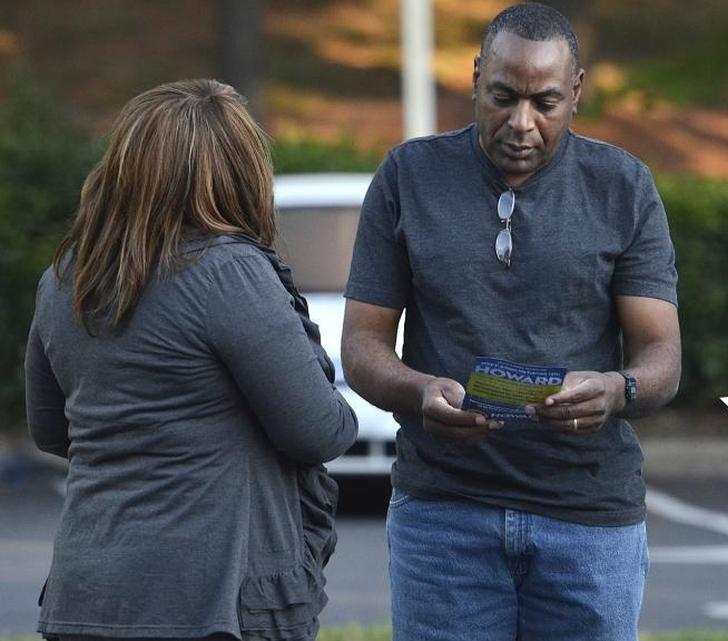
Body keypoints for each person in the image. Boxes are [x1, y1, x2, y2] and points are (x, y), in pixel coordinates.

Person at [341, 4, 681, 640]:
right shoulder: (408, 177)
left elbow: (661, 356)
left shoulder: (624, 187)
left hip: (587, 516)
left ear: (576, 93)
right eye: (503, 97)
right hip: (444, 515)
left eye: (546, 103)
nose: (521, 123)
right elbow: (362, 345)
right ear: (475, 77)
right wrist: (418, 392)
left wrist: (615, 390)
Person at [24, 79, 358, 641]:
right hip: (206, 603)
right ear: (237, 172)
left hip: (85, 597)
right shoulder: (226, 272)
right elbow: (319, 431)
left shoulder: (64, 278)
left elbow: (50, 430)